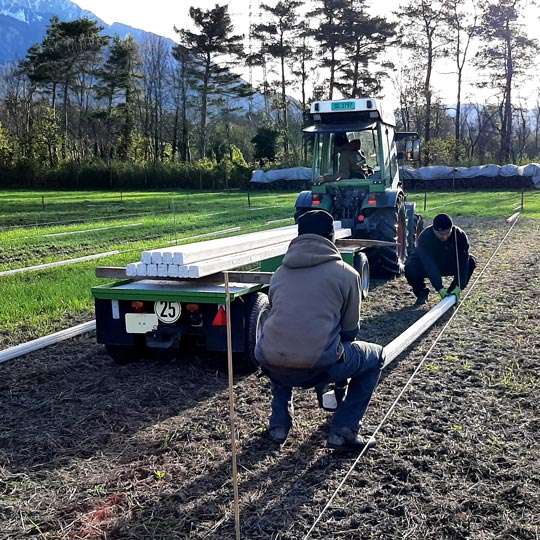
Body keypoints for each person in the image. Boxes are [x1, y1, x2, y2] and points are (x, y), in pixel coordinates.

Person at [255, 209, 384, 452]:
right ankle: (344, 431)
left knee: (282, 343)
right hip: (318, 367)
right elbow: (349, 331)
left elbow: (282, 321)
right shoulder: (346, 274)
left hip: (271, 363)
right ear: (332, 237)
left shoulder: (279, 274)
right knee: (376, 356)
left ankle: (278, 426)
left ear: (298, 237)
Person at [404, 213, 476, 306]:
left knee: (470, 262)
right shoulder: (425, 237)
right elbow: (429, 264)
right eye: (441, 234)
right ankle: (421, 293)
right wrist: (439, 288)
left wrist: (460, 285)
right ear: (434, 230)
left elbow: (463, 262)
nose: (445, 237)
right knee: (410, 266)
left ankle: (453, 291)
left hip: (449, 264)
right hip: (428, 266)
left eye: (447, 233)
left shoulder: (460, 235)